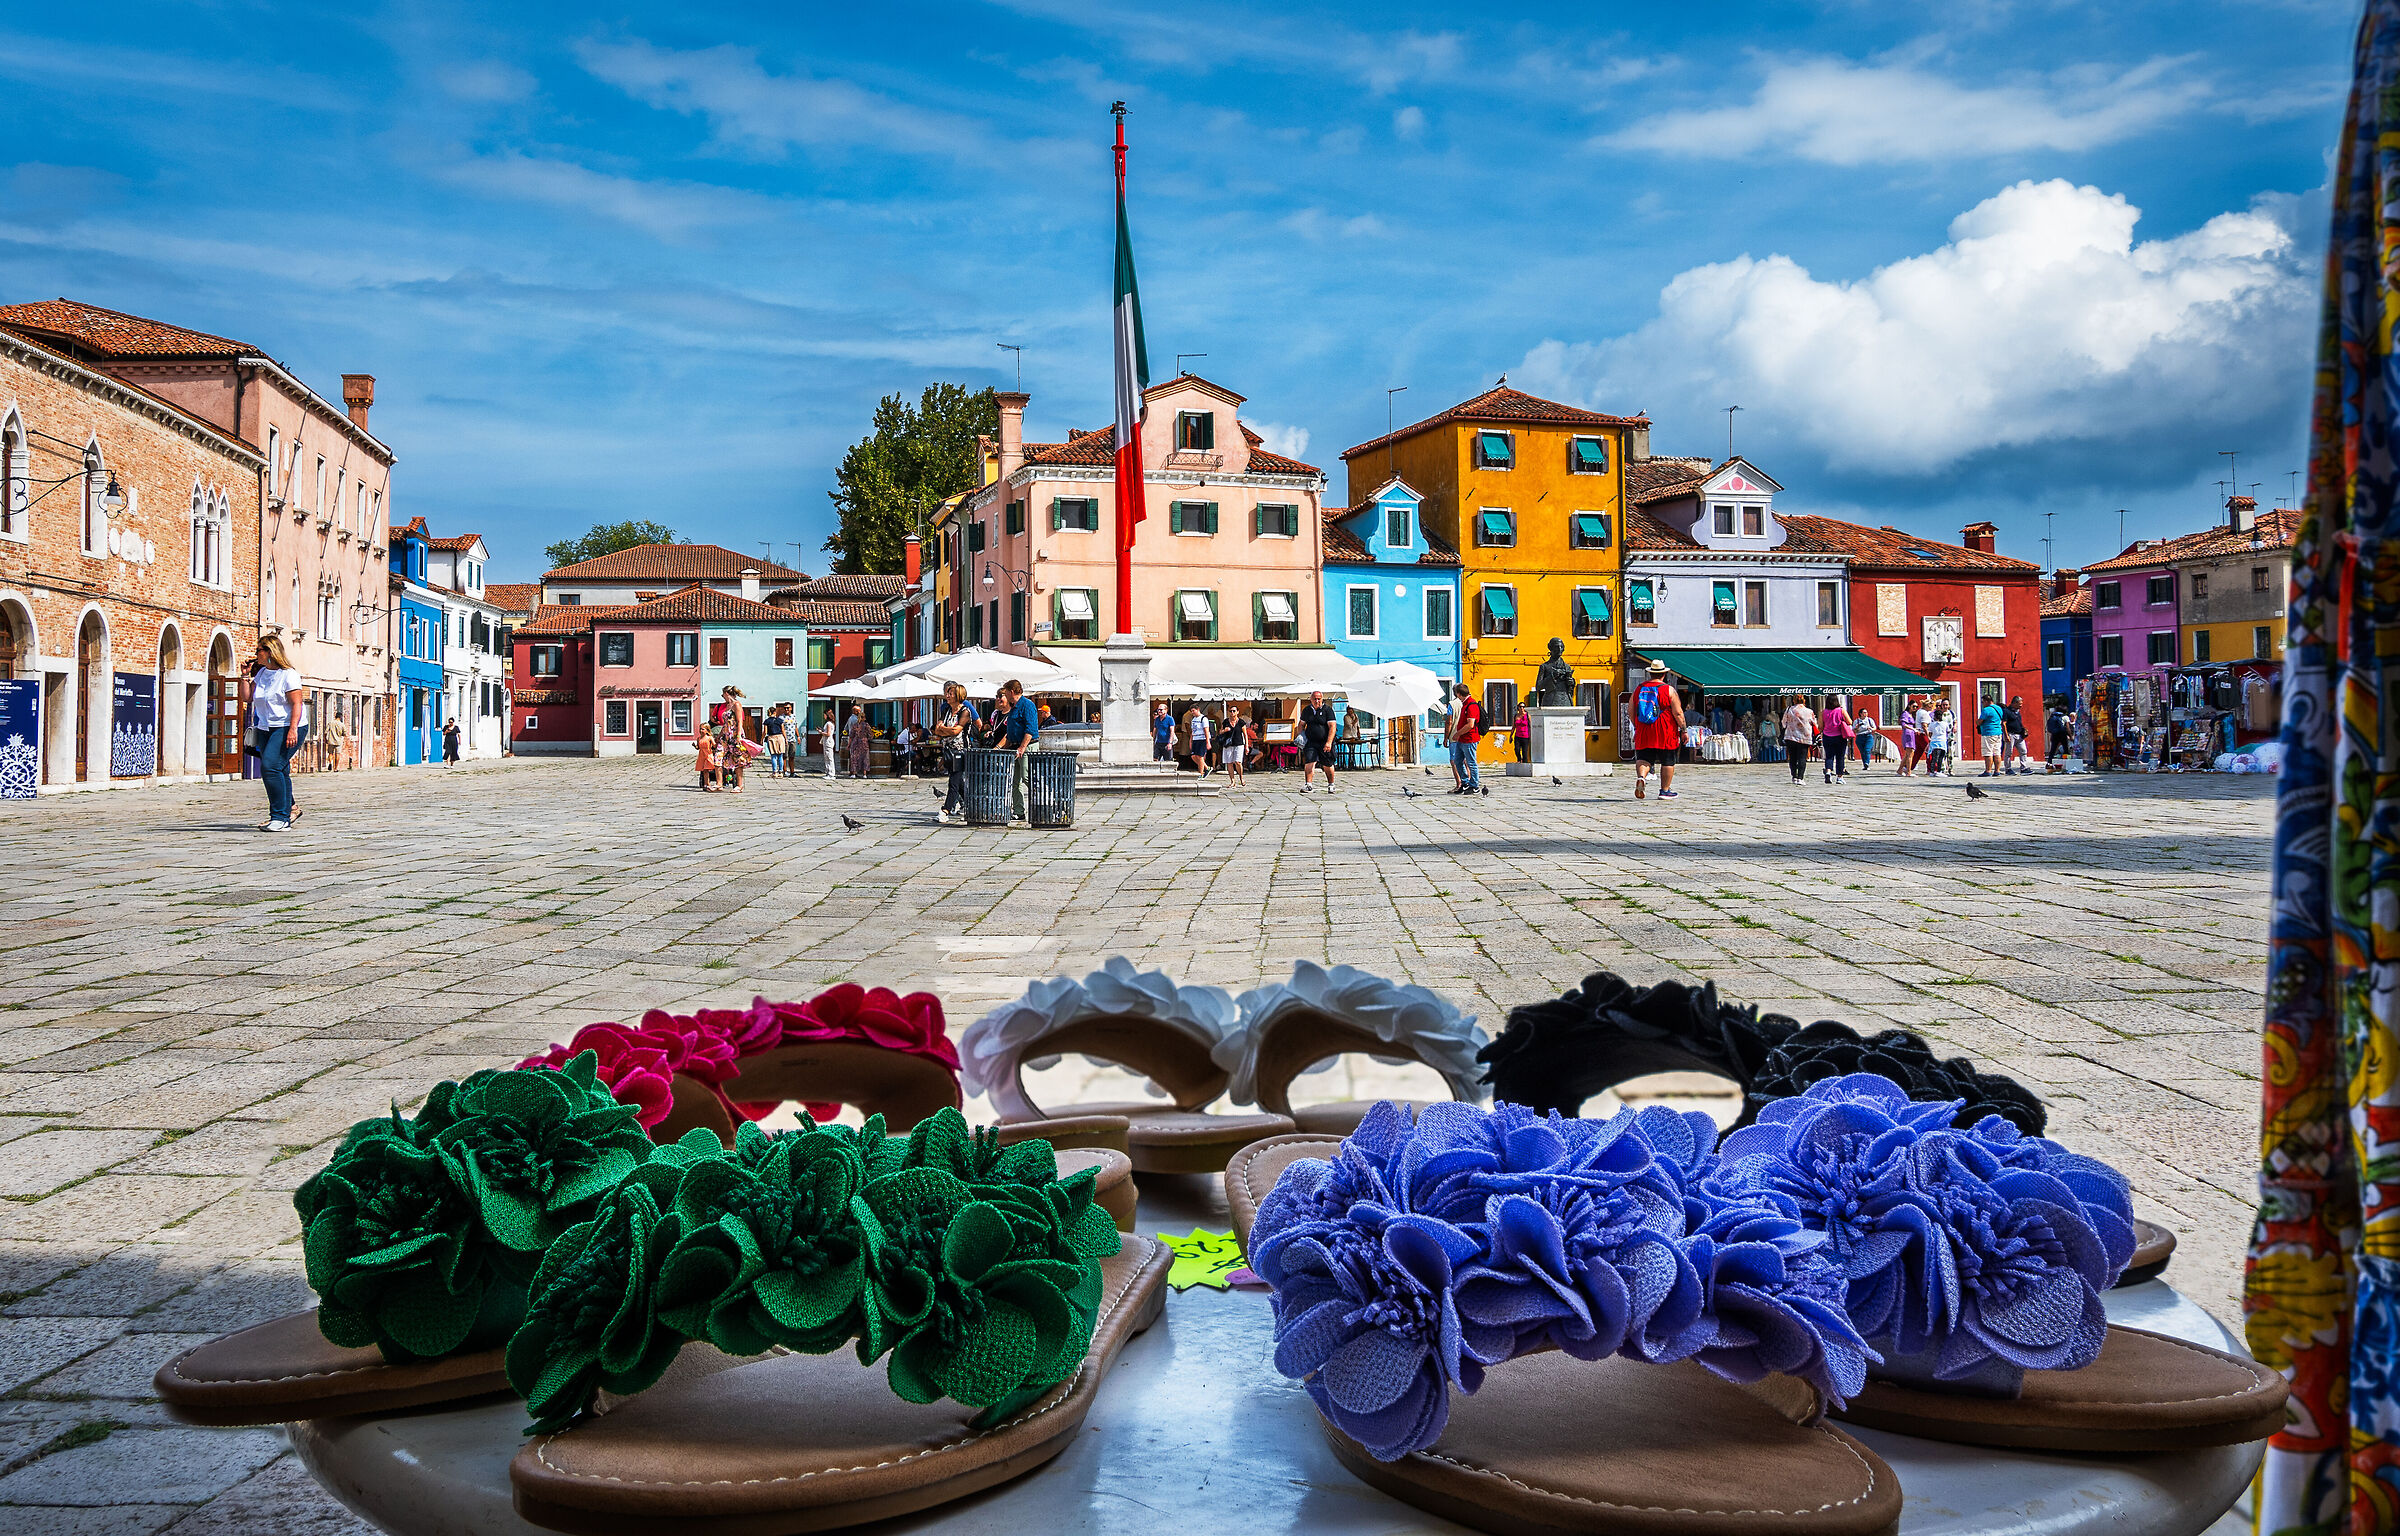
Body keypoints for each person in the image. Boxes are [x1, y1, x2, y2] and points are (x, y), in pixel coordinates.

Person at [249, 635, 308, 831]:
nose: (256, 654)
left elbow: (296, 704)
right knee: (279, 768)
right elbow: (247, 697)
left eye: (259, 650)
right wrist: (244, 676)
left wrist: (292, 729)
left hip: (289, 726)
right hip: (266, 727)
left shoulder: (288, 674)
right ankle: (289, 810)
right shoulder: (262, 674)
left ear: (269, 652)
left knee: (270, 767)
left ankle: (280, 818)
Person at [1629, 659, 1684, 800]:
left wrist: (1637, 725)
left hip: (1643, 728)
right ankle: (1665, 790)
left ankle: (1642, 777)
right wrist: (1683, 729)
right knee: (1668, 760)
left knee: (1644, 758)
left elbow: (1630, 710)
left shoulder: (1639, 689)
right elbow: (1677, 713)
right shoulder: (1669, 690)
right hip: (1665, 730)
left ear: (1650, 674)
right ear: (1664, 674)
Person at [934, 683, 979, 824]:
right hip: (948, 750)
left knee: (953, 781)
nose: (947, 696)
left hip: (961, 751)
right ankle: (974, 807)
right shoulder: (946, 710)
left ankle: (945, 811)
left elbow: (957, 731)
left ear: (958, 695)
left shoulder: (965, 711)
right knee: (959, 782)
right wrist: (948, 730)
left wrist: (945, 730)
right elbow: (937, 729)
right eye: (947, 693)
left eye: (950, 693)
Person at [999, 678, 1040, 822]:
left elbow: (1031, 729)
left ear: (1011, 691)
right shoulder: (1013, 707)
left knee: (1027, 777)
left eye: (1005, 693)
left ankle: (1043, 801)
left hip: (1027, 746)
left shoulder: (1027, 705)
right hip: (1014, 747)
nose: (1004, 696)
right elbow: (1011, 731)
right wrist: (1005, 748)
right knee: (1014, 780)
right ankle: (1019, 810)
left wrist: (1022, 747)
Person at [1299, 690, 1338, 792]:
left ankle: (1331, 784)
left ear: (1322, 699)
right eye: (1315, 699)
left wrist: (1329, 742)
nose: (1317, 701)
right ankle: (1308, 785)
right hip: (1311, 741)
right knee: (1309, 762)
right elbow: (1301, 724)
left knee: (1327, 764)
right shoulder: (1307, 710)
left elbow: (1332, 726)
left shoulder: (1327, 710)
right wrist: (1301, 736)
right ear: (1311, 699)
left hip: (1324, 741)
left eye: (1319, 699)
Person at [1446, 683, 1482, 795]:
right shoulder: (1464, 704)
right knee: (1457, 761)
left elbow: (1470, 724)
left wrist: (1457, 733)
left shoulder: (1471, 705)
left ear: (1458, 694)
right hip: (1462, 739)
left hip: (1469, 739)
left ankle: (1474, 785)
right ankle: (1465, 782)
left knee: (1471, 762)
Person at [1780, 696, 1817, 785]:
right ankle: (1800, 777)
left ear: (1794, 700)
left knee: (1792, 757)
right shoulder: (1809, 711)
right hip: (1804, 736)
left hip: (1791, 736)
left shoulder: (1789, 710)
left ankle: (1794, 776)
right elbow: (1814, 723)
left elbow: (1783, 723)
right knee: (1802, 757)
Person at [1820, 696, 1853, 784]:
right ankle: (1839, 777)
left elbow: (1820, 726)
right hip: (1840, 736)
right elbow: (1850, 721)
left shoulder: (1823, 712)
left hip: (1827, 736)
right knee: (1840, 757)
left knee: (1829, 756)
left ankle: (1828, 772)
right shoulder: (1841, 710)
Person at [2002, 695, 2031, 776]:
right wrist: (2006, 735)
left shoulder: (2017, 712)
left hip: (2019, 735)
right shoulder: (2006, 711)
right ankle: (2008, 769)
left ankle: (2023, 768)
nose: (2021, 706)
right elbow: (2003, 723)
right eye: (2019, 704)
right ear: (2014, 703)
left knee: (2023, 751)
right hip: (2010, 734)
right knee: (2009, 752)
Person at [1222, 706, 1248, 787]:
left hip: (1239, 744)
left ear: (1237, 712)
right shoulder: (1226, 721)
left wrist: (1247, 746)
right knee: (1229, 763)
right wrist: (1224, 730)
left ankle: (1241, 778)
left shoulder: (1241, 722)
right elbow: (1220, 732)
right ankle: (1232, 781)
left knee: (1237, 762)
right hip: (1228, 744)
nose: (1232, 712)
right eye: (1231, 711)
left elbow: (1245, 734)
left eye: (1234, 711)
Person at [1185, 703, 1214, 778]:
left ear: (1198, 710)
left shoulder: (1203, 718)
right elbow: (1193, 731)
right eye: (1191, 711)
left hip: (1202, 739)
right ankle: (1206, 767)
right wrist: (1190, 741)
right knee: (1194, 756)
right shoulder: (1194, 719)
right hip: (1195, 738)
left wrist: (1208, 741)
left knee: (1200, 756)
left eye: (1193, 711)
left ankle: (1201, 773)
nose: (1192, 712)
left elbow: (1206, 730)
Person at [1927, 702, 1955, 776]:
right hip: (1942, 742)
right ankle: (1939, 771)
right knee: (1941, 757)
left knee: (1934, 757)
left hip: (1934, 742)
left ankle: (1932, 771)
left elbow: (1930, 733)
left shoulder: (1931, 724)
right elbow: (1948, 731)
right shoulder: (1945, 724)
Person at [2045, 698, 2073, 771]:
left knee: (2053, 749)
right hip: (2062, 734)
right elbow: (2067, 728)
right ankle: (2067, 764)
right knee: (2065, 748)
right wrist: (2070, 736)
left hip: (2054, 734)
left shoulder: (2053, 716)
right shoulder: (2065, 717)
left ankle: (2049, 763)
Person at [844, 707, 871, 778]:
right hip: (864, 742)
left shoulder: (854, 724)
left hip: (855, 742)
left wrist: (848, 744)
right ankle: (864, 774)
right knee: (865, 758)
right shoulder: (867, 725)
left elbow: (850, 735)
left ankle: (853, 773)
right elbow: (870, 735)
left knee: (854, 758)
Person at [322, 708, 351, 772]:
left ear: (335, 716)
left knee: (330, 753)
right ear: (340, 717)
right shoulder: (342, 724)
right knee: (337, 754)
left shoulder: (330, 723)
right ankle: (336, 768)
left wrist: (325, 739)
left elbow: (325, 732)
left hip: (331, 740)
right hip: (338, 741)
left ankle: (330, 763)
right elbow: (345, 733)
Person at [763, 706, 788, 778]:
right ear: (775, 712)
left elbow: (765, 731)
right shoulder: (780, 720)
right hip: (780, 737)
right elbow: (783, 730)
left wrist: (762, 739)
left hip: (772, 738)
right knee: (780, 756)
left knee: (773, 756)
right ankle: (781, 772)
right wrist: (785, 739)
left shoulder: (767, 721)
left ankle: (775, 772)